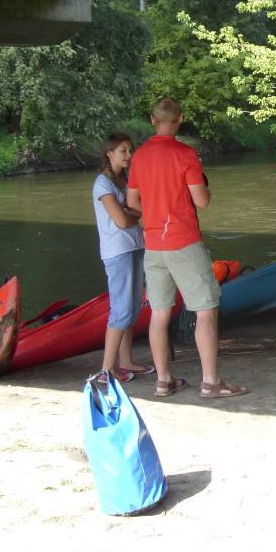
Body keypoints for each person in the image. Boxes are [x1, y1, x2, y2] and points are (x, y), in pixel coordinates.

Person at [126, 97, 248, 399]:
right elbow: (201, 201)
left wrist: (153, 213)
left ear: (152, 120)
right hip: (183, 241)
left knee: (159, 313)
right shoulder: (186, 154)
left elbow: (132, 202)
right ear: (180, 119)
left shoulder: (139, 156)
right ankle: (210, 382)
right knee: (206, 310)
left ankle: (163, 381)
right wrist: (205, 188)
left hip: (153, 244)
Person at [92, 133, 154, 383]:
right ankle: (107, 370)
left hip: (135, 246)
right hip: (117, 251)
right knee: (121, 310)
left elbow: (138, 210)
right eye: (123, 151)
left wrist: (133, 214)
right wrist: (134, 215)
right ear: (109, 153)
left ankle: (126, 362)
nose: (129, 155)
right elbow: (121, 220)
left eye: (130, 150)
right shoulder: (102, 183)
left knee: (132, 308)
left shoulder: (125, 180)